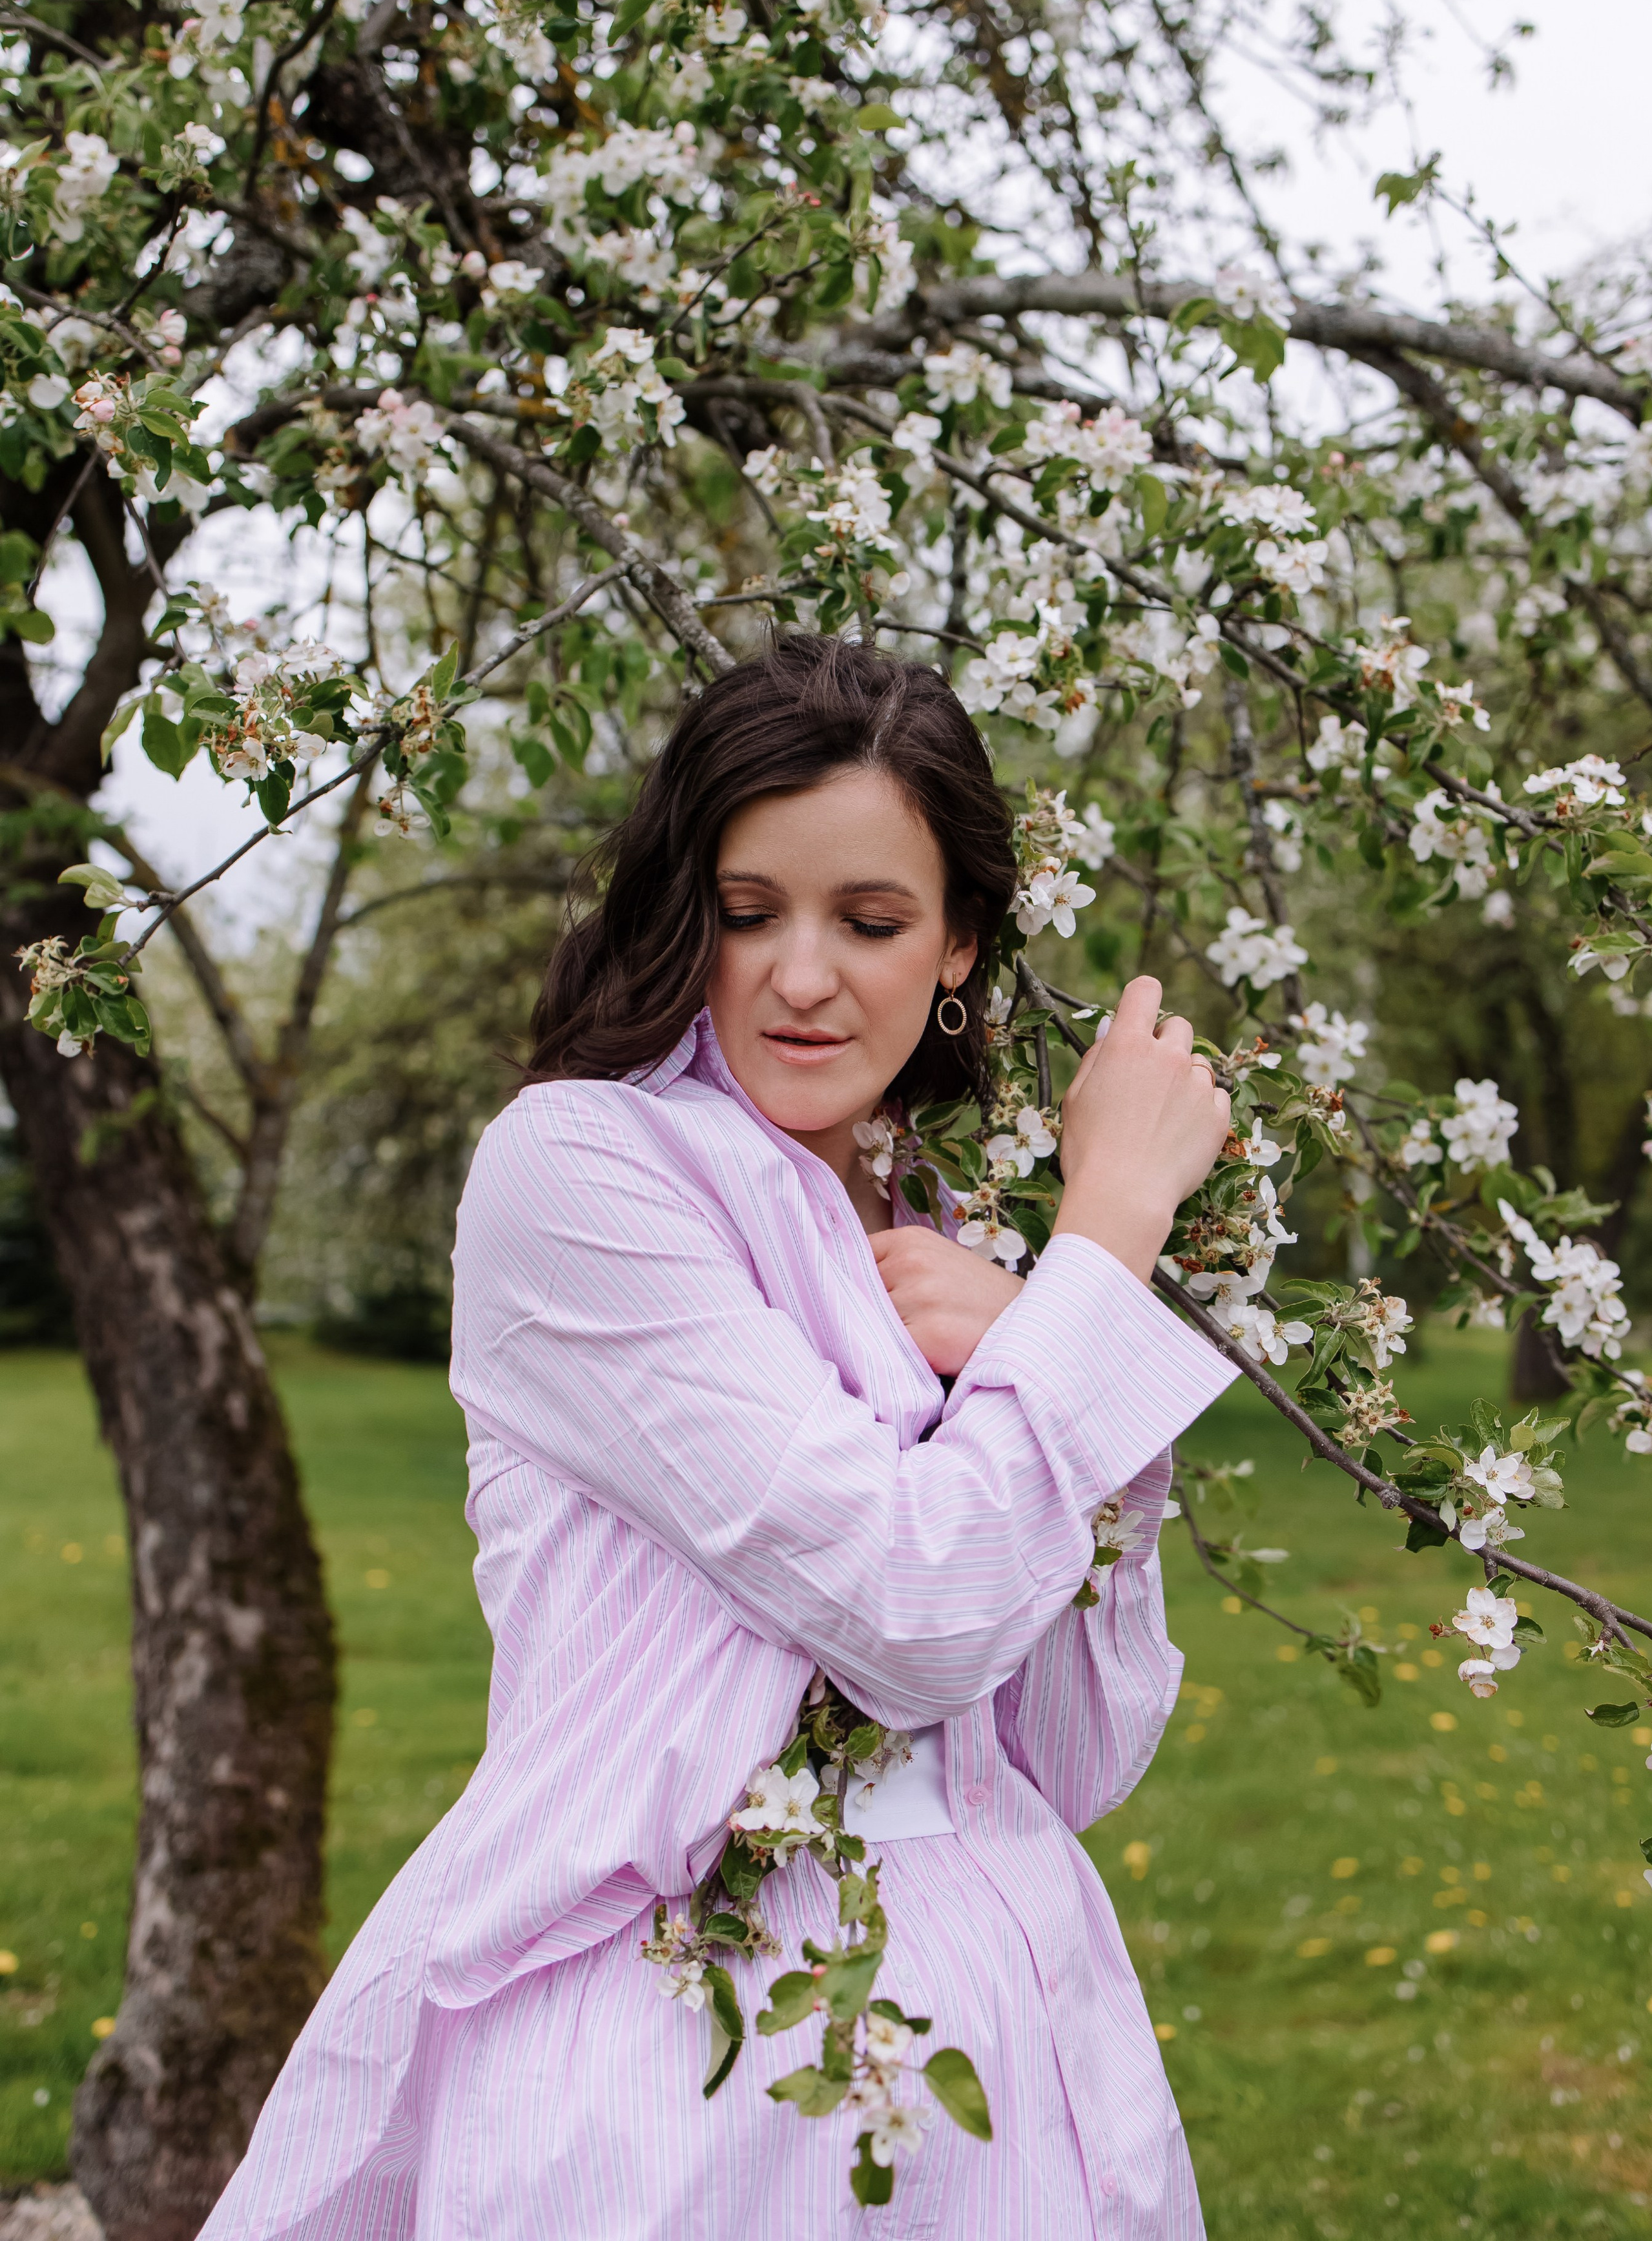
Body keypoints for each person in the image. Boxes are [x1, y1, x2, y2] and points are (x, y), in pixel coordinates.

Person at [199, 632, 1235, 2241]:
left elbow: (1068, 1760)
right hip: (685, 2054)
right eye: (747, 915)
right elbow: (913, 1608)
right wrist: (1101, 1249)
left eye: (871, 921)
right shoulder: (582, 1177)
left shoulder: (945, 1242)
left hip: (997, 2037)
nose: (800, 976)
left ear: (959, 943)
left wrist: (1057, 1358)